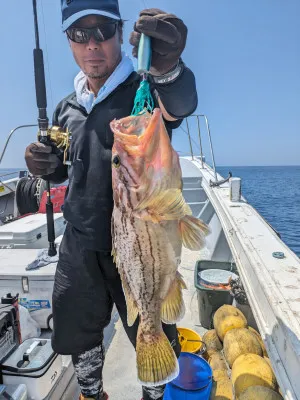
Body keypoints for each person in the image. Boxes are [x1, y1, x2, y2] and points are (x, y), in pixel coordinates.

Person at [25, 1, 198, 399]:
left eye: (102, 32)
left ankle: (153, 394)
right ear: (69, 41)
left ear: (119, 33)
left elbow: (181, 102)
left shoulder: (144, 89)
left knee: (152, 330)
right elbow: (67, 168)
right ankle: (90, 392)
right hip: (81, 242)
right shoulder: (66, 107)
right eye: (79, 35)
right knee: (78, 332)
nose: (92, 45)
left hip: (140, 242)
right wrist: (45, 165)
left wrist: (168, 66)